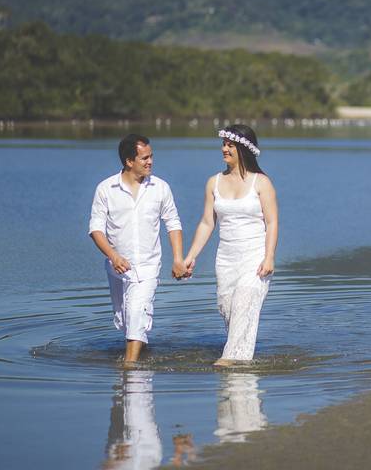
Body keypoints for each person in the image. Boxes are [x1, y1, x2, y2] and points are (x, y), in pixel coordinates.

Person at [182, 124, 277, 365]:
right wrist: (190, 256)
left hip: (254, 258)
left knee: (245, 302)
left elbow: (272, 222)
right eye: (223, 144)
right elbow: (206, 223)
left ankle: (229, 360)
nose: (224, 148)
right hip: (226, 260)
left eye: (230, 145)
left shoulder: (261, 183)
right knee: (229, 311)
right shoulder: (213, 182)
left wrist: (269, 257)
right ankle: (240, 378)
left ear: (243, 148)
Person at [89, 133, 188, 364]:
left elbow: (173, 223)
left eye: (151, 156)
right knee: (126, 321)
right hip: (117, 269)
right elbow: (95, 229)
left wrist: (178, 259)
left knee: (137, 312)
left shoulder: (160, 188)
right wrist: (113, 256)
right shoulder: (106, 189)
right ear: (128, 161)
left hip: (148, 266)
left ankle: (129, 367)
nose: (150, 162)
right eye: (144, 158)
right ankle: (140, 358)